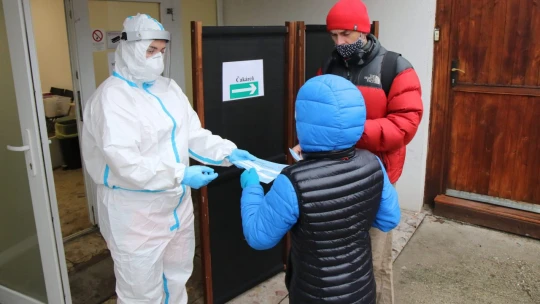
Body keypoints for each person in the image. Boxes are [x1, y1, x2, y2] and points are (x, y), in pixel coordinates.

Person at [81, 14, 255, 304]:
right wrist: (179, 174)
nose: (157, 59)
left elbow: (192, 135)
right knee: (140, 292)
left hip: (175, 206)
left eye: (161, 51)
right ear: (128, 48)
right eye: (150, 51)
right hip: (135, 213)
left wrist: (227, 152)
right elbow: (126, 163)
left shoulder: (168, 88)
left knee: (176, 278)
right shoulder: (111, 99)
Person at [292, 1, 423, 302]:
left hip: (375, 179)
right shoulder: (329, 66)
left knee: (376, 263)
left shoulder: (395, 68)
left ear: (362, 31)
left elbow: (404, 126)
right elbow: (317, 111)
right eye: (333, 36)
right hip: (331, 178)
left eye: (345, 35)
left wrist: (350, 130)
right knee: (335, 265)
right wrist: (308, 141)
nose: (339, 43)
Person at [239, 74, 401, 304]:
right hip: (361, 291)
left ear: (304, 121)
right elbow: (389, 219)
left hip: (314, 295)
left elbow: (259, 237)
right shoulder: (373, 163)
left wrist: (252, 189)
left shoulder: (294, 181)